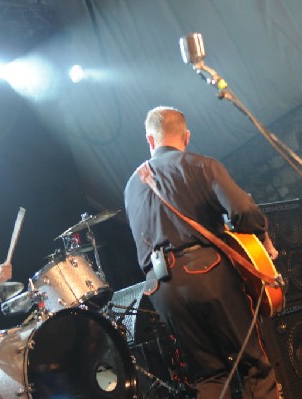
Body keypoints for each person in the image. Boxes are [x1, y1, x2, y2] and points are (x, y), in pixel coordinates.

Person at [124, 106, 278, 399]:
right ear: (187, 136)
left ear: (150, 140)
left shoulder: (132, 186)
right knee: (254, 365)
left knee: (209, 374)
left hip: (161, 288)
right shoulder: (200, 166)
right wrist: (261, 237)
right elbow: (243, 211)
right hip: (206, 273)